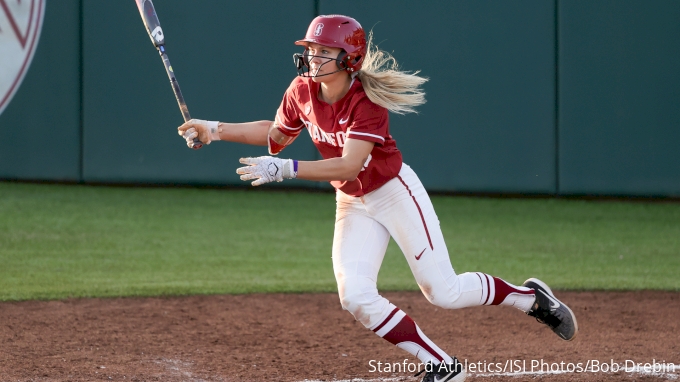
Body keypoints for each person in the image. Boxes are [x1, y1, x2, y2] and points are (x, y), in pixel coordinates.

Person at [177, 15, 577, 382]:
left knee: (444, 292)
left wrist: (286, 169)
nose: (311, 57)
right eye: (310, 49)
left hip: (393, 192)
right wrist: (214, 129)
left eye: (322, 51)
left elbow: (349, 164)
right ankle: (442, 365)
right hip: (352, 203)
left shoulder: (367, 102)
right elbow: (275, 135)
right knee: (354, 295)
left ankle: (530, 299)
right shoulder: (301, 91)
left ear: (348, 58)